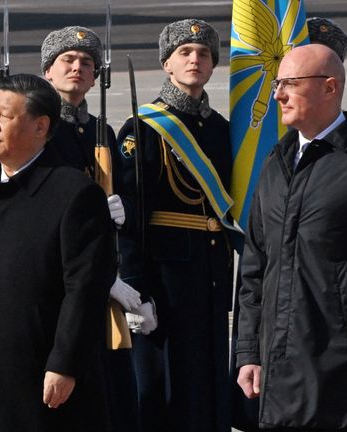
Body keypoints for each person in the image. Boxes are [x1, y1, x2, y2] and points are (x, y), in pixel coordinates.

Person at [0, 73, 117, 432]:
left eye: (7, 116)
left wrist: (65, 362)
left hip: (43, 372)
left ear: (40, 126)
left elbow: (86, 288)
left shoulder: (73, 193)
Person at [114, 19, 235, 432]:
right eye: (185, 53)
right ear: (167, 63)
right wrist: (135, 286)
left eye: (203, 54)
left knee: (209, 381)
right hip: (163, 277)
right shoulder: (143, 128)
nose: (195, 60)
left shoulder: (221, 129)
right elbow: (129, 216)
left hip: (211, 271)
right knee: (166, 387)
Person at [236, 44, 347, 430]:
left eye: (290, 83)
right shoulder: (277, 161)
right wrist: (249, 351)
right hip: (278, 367)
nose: (278, 94)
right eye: (277, 84)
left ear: (329, 88)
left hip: (338, 368)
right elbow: (254, 265)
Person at [41, 25, 141, 432]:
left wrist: (122, 208)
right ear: (48, 71)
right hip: (57, 274)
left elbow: (128, 194)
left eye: (87, 63)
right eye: (68, 60)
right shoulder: (37, 126)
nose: (78, 68)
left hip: (98, 270)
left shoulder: (101, 130)